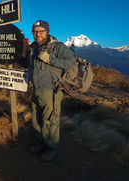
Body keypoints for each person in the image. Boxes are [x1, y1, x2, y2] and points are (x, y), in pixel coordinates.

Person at [18, 20, 76, 161]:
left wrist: (50, 59)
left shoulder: (58, 47)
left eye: (40, 31)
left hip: (52, 91)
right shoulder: (33, 48)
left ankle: (51, 147)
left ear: (47, 32)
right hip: (36, 89)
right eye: (34, 31)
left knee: (50, 120)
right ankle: (41, 142)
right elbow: (27, 64)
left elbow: (70, 62)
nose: (37, 34)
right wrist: (14, 56)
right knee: (36, 119)